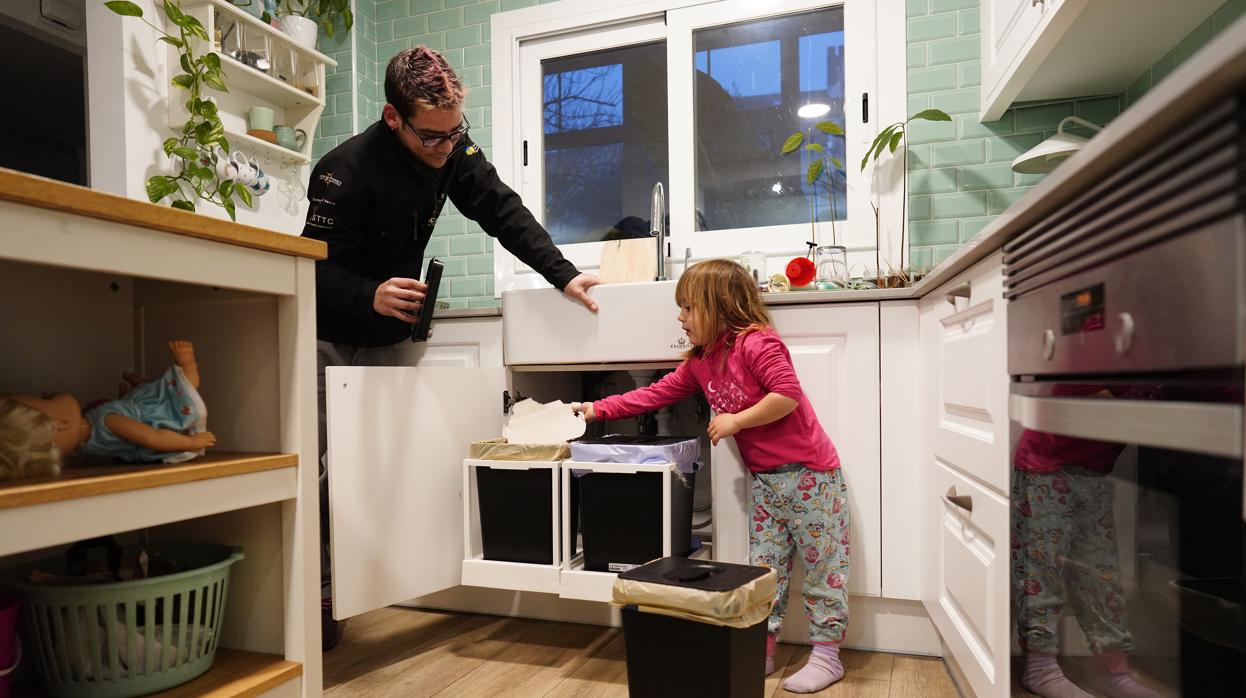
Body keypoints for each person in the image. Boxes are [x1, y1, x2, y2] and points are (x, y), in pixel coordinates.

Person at [302, 45, 601, 650]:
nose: (446, 147)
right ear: (393, 119)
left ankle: (374, 586)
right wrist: (369, 294)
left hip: (394, 337)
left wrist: (564, 274)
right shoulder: (344, 171)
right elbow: (308, 271)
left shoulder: (452, 149)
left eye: (454, 131)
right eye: (432, 136)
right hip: (329, 335)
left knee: (383, 473)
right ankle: (320, 597)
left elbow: (502, 210)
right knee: (322, 475)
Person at [570, 259, 850, 694]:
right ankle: (762, 648)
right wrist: (599, 409)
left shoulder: (757, 343)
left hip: (810, 476)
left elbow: (787, 396)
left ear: (718, 306)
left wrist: (735, 421)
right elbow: (655, 392)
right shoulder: (701, 361)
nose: (679, 318)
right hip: (767, 483)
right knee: (765, 570)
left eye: (687, 308)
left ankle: (828, 656)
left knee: (823, 569)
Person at [1011, 385, 1159, 698]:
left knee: (1101, 575)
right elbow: (1073, 392)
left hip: (1093, 472)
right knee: (1041, 573)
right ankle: (1041, 669)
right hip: (1047, 467)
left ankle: (1113, 672)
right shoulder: (1104, 340)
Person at [1, 340, 215, 476]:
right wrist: (190, 442)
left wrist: (125, 402)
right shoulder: (105, 420)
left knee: (150, 392)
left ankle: (143, 386)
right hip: (160, 419)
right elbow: (153, 436)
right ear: (61, 424)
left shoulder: (84, 447)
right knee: (184, 387)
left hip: (135, 410)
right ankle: (188, 363)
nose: (51, 394)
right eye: (47, 400)